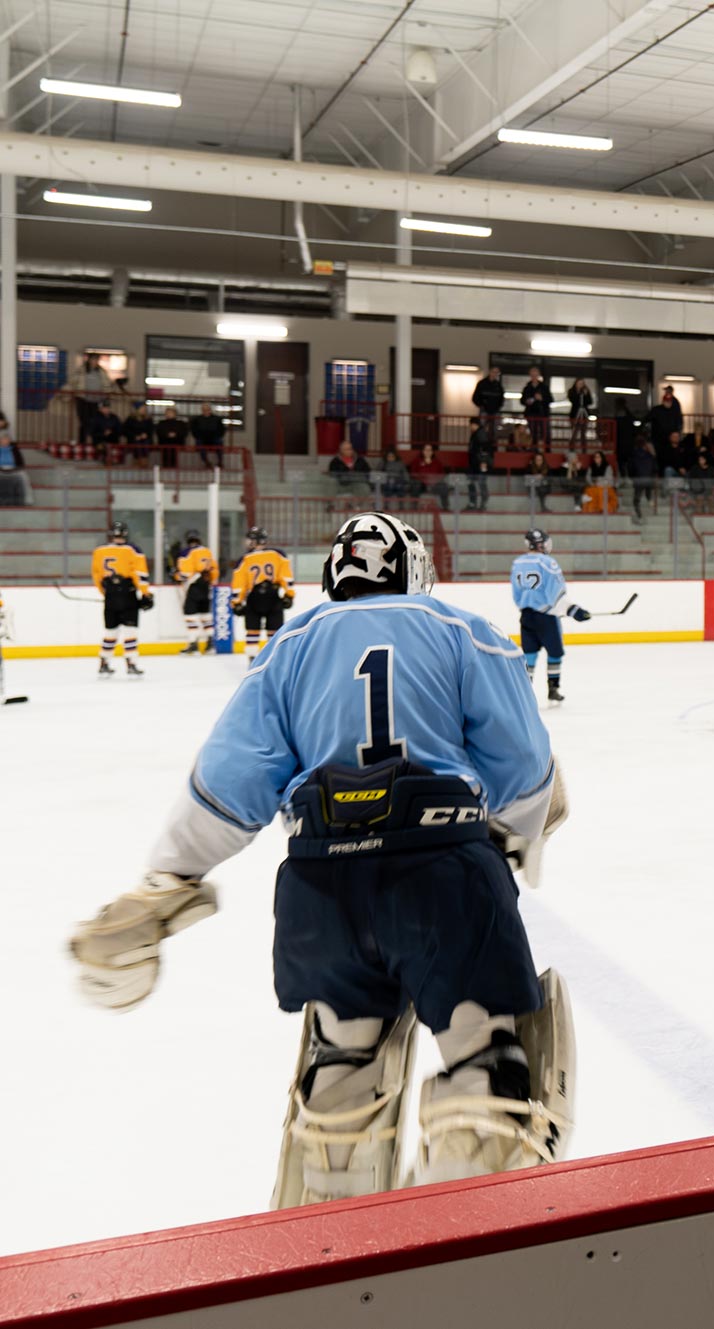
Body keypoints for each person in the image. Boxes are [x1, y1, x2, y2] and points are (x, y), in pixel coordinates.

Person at [66, 510, 573, 1205]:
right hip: (442, 868)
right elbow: (524, 767)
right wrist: (515, 833)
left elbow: (230, 778)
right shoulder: (461, 629)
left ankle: (335, 1218)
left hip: (317, 885)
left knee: (341, 1069)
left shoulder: (289, 644)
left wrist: (166, 880)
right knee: (486, 1061)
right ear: (415, 569)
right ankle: (470, 1175)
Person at [512, 529, 594, 705]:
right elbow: (555, 593)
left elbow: (517, 595)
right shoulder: (548, 563)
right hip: (547, 618)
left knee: (529, 655)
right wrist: (573, 610)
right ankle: (553, 689)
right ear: (541, 544)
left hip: (526, 616)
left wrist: (530, 607)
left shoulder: (518, 563)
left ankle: (524, 693)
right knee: (555, 653)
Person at [92, 521, 152, 678]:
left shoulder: (99, 551)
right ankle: (131, 663)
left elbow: (97, 576)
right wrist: (145, 593)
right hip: (127, 594)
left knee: (110, 631)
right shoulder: (133, 550)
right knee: (130, 630)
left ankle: (104, 663)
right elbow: (140, 574)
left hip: (111, 596)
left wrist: (107, 593)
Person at [232, 527, 296, 661]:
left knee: (252, 630)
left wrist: (236, 602)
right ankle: (273, 661)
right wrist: (289, 595)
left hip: (254, 598)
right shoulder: (278, 554)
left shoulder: (244, 559)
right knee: (274, 632)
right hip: (273, 596)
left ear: (254, 541)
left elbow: (239, 584)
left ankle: (253, 661)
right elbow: (287, 577)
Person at [175, 529, 217, 656]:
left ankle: (193, 644)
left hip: (194, 587)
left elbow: (185, 574)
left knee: (190, 615)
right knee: (205, 615)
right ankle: (210, 644)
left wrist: (175, 575)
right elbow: (214, 571)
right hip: (206, 586)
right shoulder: (207, 551)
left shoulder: (186, 552)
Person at [466, 417, 496, 512]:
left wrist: (483, 462)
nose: (470, 427)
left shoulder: (481, 434)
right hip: (475, 463)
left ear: (475, 424)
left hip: (479, 464)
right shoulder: (477, 434)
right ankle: (475, 503)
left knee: (480, 483)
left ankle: (481, 503)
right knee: (473, 483)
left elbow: (485, 449)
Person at [519, 368, 553, 447]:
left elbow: (550, 399)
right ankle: (534, 449)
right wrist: (527, 401)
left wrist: (542, 398)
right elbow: (522, 401)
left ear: (538, 375)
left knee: (545, 433)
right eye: (532, 375)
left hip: (543, 413)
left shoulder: (544, 387)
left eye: (535, 375)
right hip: (531, 413)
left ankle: (547, 450)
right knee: (533, 433)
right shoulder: (527, 388)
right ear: (530, 376)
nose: (534, 376)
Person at [410, 443, 449, 508]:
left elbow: (442, 474)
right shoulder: (416, 461)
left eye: (430, 450)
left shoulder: (437, 462)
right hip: (421, 484)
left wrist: (435, 481)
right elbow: (413, 473)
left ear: (432, 452)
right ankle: (414, 507)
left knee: (444, 487)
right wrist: (421, 479)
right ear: (422, 451)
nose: (428, 452)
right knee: (415, 485)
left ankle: (445, 507)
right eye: (426, 450)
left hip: (435, 484)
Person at [190, 402, 226, 469]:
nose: (206, 411)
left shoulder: (217, 419)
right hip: (202, 439)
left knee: (219, 442)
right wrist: (199, 436)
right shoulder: (197, 419)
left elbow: (221, 430)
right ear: (202, 410)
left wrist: (217, 435)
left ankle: (220, 461)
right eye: (204, 409)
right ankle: (206, 462)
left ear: (210, 410)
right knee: (199, 443)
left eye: (207, 409)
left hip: (214, 438)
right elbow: (194, 430)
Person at [566, 377, 594, 444]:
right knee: (574, 432)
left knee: (583, 433)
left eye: (582, 383)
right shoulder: (571, 391)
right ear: (575, 383)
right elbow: (573, 401)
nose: (580, 385)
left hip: (584, 414)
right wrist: (578, 393)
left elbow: (590, 402)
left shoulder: (586, 391)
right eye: (579, 383)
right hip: (575, 414)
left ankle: (584, 449)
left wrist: (586, 394)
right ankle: (571, 448)